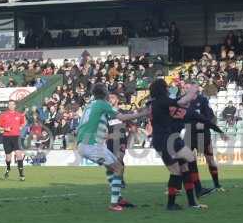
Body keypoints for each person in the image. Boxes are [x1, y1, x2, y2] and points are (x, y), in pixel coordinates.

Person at [77, 84, 147, 212]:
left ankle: (118, 198)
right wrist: (144, 113)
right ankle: (114, 204)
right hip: (91, 144)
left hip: (87, 143)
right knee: (118, 168)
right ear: (105, 94)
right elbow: (122, 117)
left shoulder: (90, 105)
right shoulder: (102, 104)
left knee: (112, 169)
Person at [150, 79, 209, 210]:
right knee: (178, 170)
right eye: (166, 87)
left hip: (166, 139)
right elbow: (182, 101)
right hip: (166, 140)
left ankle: (191, 202)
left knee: (185, 167)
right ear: (162, 89)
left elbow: (179, 104)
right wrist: (194, 88)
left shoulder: (156, 103)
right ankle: (174, 203)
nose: (167, 89)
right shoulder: (162, 100)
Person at [186, 92, 225, 193]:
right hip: (189, 135)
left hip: (204, 135)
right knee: (188, 162)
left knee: (210, 160)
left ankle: (216, 185)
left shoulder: (204, 105)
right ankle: (195, 187)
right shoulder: (184, 104)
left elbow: (212, 119)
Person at [0, 100, 26, 181]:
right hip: (6, 137)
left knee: (19, 155)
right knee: (8, 157)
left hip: (16, 137)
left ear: (15, 105)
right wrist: (4, 128)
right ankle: (8, 168)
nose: (11, 106)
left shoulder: (19, 115)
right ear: (8, 106)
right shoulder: (3, 115)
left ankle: (21, 175)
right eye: (9, 104)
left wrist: (21, 127)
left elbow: (24, 122)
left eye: (12, 104)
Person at [106, 93, 128, 188]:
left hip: (121, 139)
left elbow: (130, 124)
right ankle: (115, 179)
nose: (110, 99)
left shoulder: (122, 112)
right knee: (112, 161)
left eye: (112, 98)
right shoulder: (107, 113)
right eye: (109, 98)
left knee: (120, 159)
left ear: (117, 100)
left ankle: (121, 179)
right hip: (110, 139)